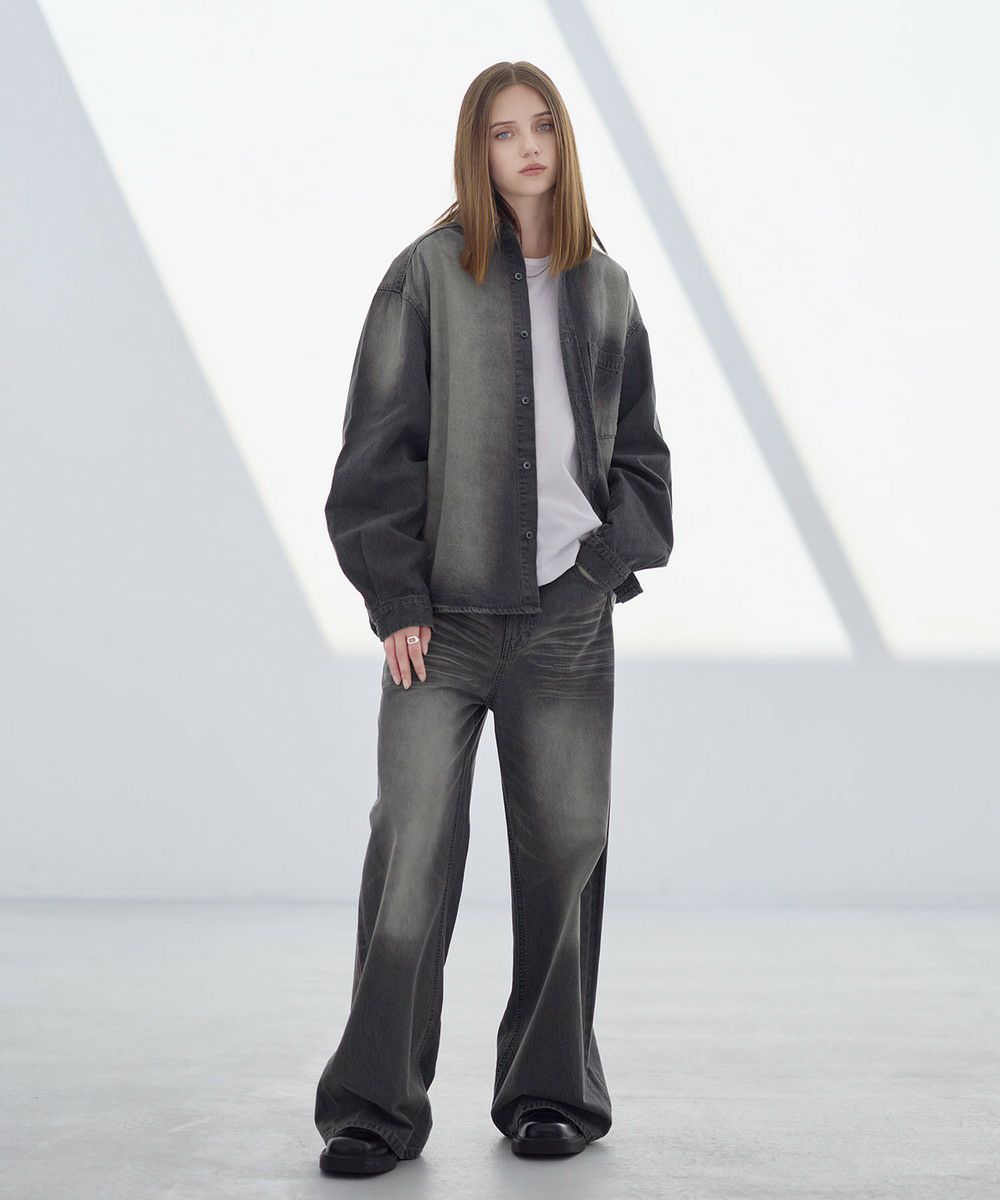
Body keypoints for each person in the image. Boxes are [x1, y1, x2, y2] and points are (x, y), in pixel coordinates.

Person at [314, 59, 673, 1175]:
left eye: (542, 127)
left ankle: (550, 1095)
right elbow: (374, 450)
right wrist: (395, 597)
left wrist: (602, 565)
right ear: (477, 150)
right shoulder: (424, 275)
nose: (526, 147)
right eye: (503, 131)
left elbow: (644, 463)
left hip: (566, 623)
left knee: (565, 852)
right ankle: (374, 1107)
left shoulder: (606, 290)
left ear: (563, 144)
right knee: (411, 847)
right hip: (443, 624)